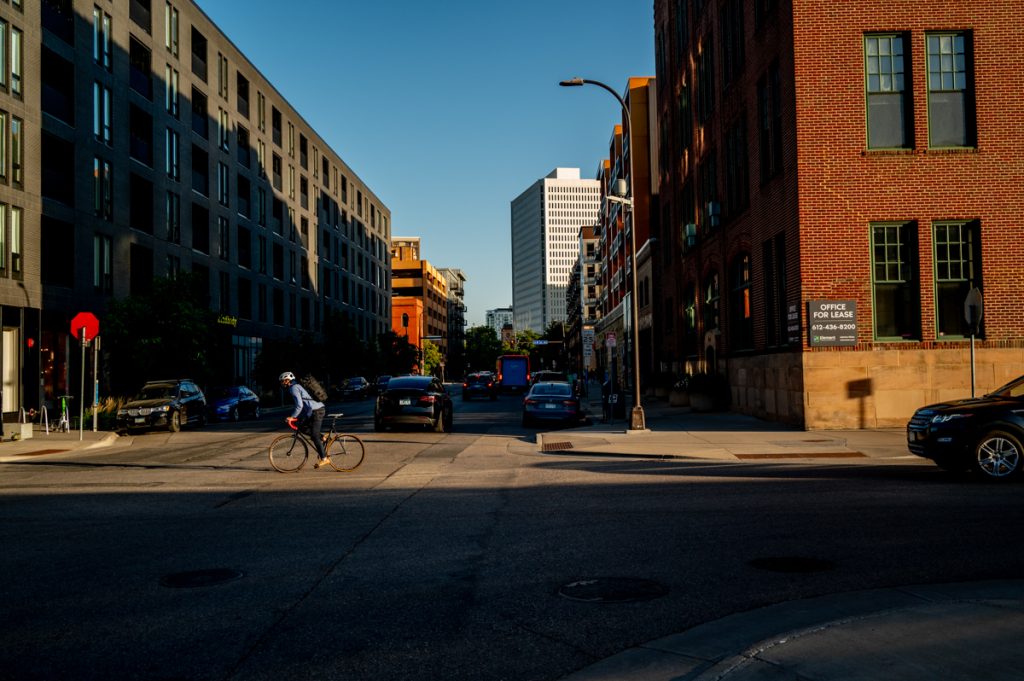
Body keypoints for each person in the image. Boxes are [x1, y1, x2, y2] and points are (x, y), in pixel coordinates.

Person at [279, 371, 329, 468]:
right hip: (313, 411)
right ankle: (322, 437)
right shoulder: (296, 386)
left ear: (287, 380)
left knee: (314, 436)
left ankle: (324, 458)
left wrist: (292, 417)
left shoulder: (293, 388)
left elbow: (299, 405)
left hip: (317, 411)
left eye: (282, 381)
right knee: (301, 427)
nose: (282, 383)